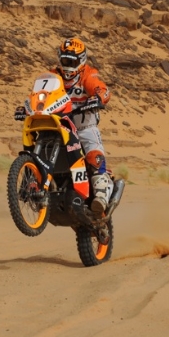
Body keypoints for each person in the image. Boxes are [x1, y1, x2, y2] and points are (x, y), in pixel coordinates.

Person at [54, 37, 112, 213]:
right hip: (60, 128)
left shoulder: (87, 74)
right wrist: (29, 104)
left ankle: (101, 196)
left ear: (81, 60)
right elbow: (41, 92)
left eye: (72, 62)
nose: (68, 66)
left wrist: (99, 97)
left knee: (94, 157)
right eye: (65, 61)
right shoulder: (54, 75)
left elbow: (101, 88)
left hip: (84, 127)